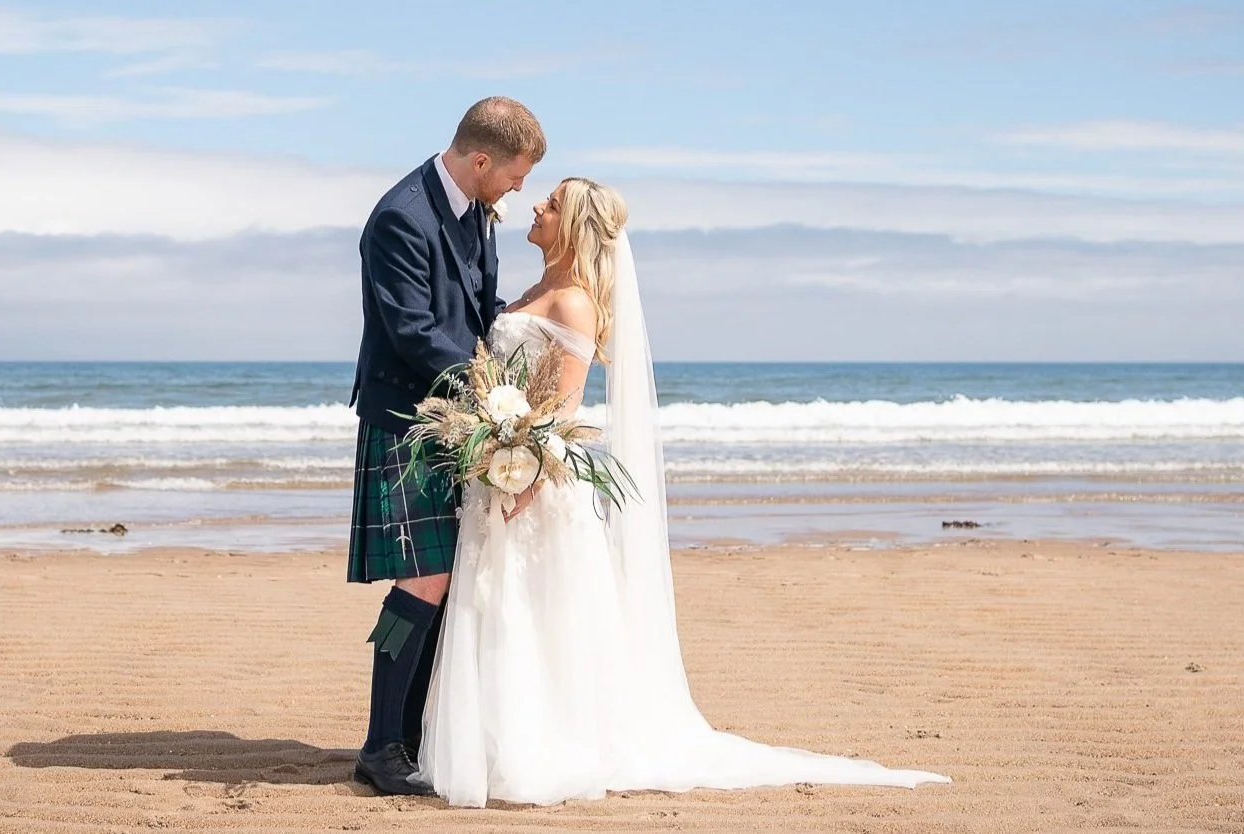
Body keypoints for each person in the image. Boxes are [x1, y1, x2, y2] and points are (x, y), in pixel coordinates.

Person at [416, 177, 952, 807]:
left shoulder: (575, 305)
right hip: (498, 479)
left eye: (553, 203)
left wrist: (521, 474)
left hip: (533, 487)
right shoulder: (535, 288)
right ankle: (488, 741)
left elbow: (558, 412)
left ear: (576, 227)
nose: (537, 205)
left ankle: (537, 748)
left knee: (529, 614)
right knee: (497, 606)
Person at [344, 96, 543, 796]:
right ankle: (378, 743)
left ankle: (410, 734)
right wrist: (494, 393)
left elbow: (478, 311)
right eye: (515, 176)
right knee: (419, 583)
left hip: (457, 422)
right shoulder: (403, 216)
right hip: (406, 419)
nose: (520, 190)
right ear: (481, 159)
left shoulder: (474, 213)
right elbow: (414, 332)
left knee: (442, 580)